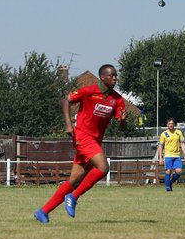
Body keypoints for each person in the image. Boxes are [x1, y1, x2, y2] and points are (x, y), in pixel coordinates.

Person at [34, 64, 127, 224]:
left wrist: (123, 121)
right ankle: (74, 197)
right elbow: (66, 100)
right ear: (103, 77)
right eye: (112, 76)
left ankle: (43, 211)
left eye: (116, 76)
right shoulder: (89, 91)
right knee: (103, 168)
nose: (115, 78)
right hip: (82, 136)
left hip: (95, 141)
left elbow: (122, 127)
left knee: (74, 181)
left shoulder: (117, 99)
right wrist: (68, 124)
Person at [158, 117, 185, 191]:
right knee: (168, 171)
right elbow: (161, 146)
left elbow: (182, 144)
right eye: (169, 124)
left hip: (177, 155)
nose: (171, 125)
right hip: (168, 155)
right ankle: (168, 189)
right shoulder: (164, 134)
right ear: (167, 125)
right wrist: (160, 157)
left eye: (172, 123)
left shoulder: (179, 132)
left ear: (174, 124)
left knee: (179, 171)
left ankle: (170, 183)